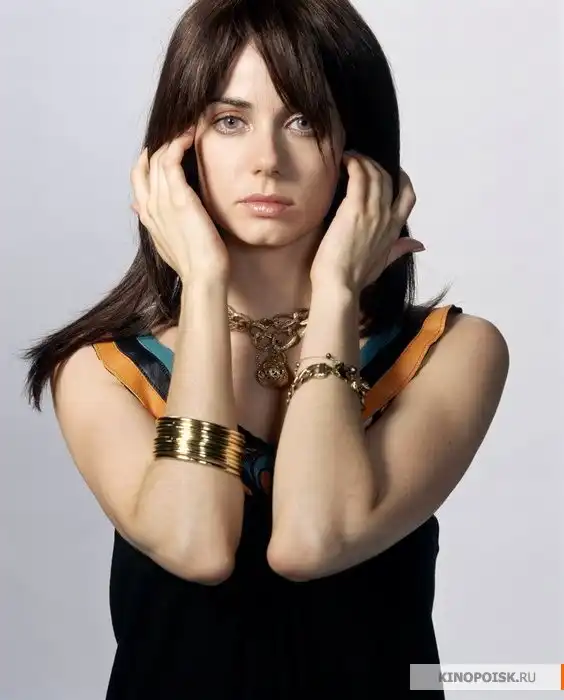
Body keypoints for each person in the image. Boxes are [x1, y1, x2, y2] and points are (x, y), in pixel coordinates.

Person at [23, 0, 510, 697]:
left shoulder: (452, 352)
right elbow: (198, 547)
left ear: (360, 146)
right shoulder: (101, 371)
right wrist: (204, 282)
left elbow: (313, 541)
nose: (267, 162)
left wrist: (336, 292)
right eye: (230, 121)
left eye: (304, 121)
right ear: (175, 151)